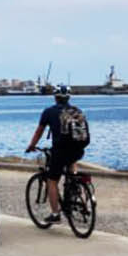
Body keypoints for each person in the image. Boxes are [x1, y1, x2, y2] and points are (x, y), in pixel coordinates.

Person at [24, 85, 88, 224]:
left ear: (55, 97)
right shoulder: (77, 110)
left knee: (52, 181)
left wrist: (32, 146)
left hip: (60, 151)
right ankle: (75, 185)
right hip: (78, 149)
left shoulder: (49, 112)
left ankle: (55, 214)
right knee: (71, 162)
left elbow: (39, 132)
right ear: (69, 98)